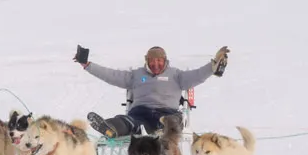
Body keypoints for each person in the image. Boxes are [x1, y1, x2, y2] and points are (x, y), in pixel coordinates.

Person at [76, 42, 231, 140]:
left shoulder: (177, 75)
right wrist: (87, 65)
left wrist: (213, 66)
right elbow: (111, 75)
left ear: (164, 61)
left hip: (167, 114)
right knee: (130, 123)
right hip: (140, 113)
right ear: (147, 61)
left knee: (171, 121)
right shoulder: (136, 75)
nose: (155, 64)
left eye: (159, 60)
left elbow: (198, 75)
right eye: (152, 60)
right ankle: (110, 128)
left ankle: (162, 131)